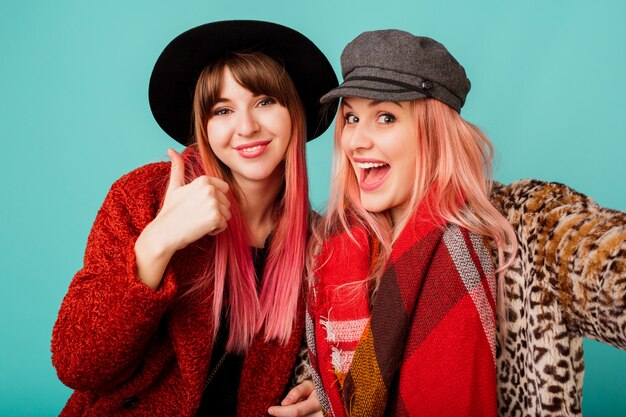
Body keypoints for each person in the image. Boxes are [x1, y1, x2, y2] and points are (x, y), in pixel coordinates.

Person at [305, 29, 626, 417]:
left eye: (385, 117)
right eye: (352, 117)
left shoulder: (527, 225)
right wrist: (322, 399)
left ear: (436, 133)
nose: (355, 140)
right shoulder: (331, 251)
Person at [51, 20, 337, 417]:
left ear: (296, 113)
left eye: (265, 101)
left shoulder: (321, 244)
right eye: (223, 109)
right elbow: (77, 363)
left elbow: (341, 355)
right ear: (203, 125)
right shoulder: (144, 196)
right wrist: (157, 243)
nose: (247, 127)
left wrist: (323, 392)